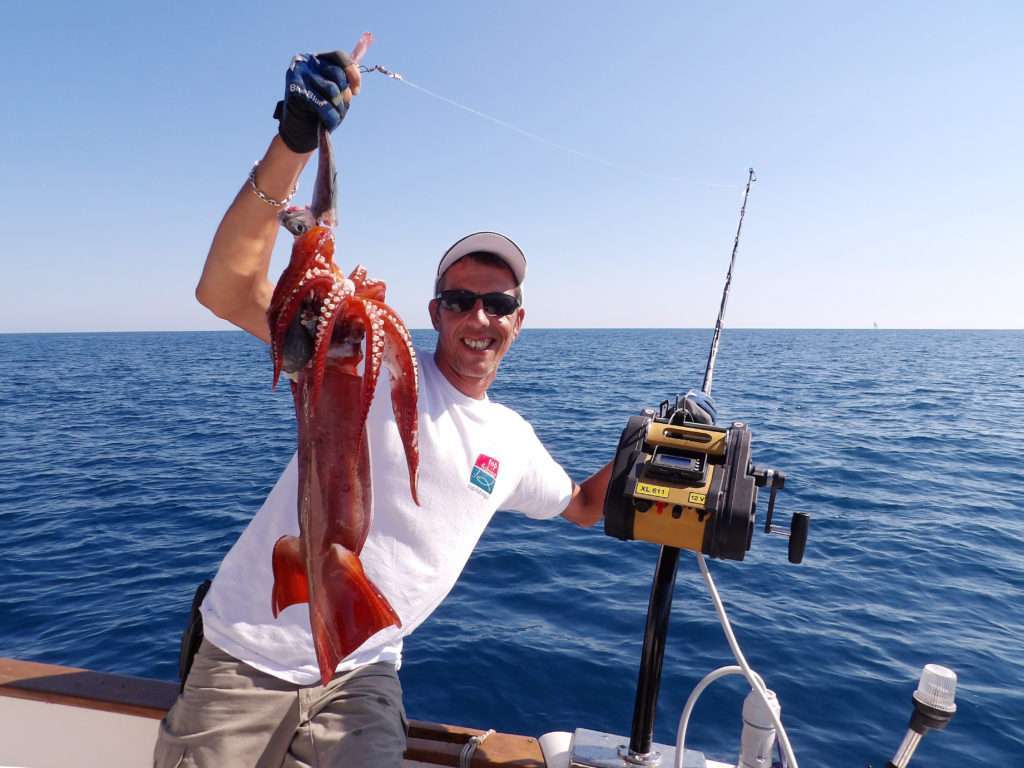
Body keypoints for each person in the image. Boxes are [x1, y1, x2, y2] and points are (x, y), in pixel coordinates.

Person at [154, 50, 611, 768]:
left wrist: (648, 450)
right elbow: (225, 287)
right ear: (433, 312)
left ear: (518, 321)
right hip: (247, 651)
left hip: (362, 670)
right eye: (461, 300)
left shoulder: (512, 442)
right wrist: (296, 139)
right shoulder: (357, 352)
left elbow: (584, 504)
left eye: (499, 303)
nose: (479, 316)